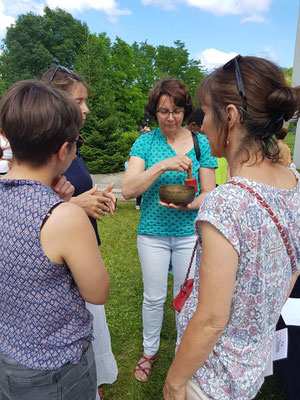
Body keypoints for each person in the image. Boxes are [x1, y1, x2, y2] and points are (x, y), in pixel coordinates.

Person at [163, 55, 300, 400]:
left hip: (211, 379)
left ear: (232, 117)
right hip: (249, 371)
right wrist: (260, 322)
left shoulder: (227, 203)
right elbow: (293, 269)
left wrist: (175, 382)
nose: (202, 124)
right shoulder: (293, 181)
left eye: (207, 112)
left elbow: (211, 318)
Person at [0, 80, 110, 399]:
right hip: (56, 366)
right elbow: (98, 291)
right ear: (64, 151)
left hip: (8, 355)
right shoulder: (62, 216)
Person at [122, 77, 217, 382]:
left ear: (185, 111)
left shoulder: (200, 143)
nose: (170, 118)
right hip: (152, 233)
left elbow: (209, 193)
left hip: (189, 232)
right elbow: (128, 190)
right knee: (153, 297)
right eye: (163, 111)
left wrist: (189, 206)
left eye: (176, 111)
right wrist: (162, 166)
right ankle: (149, 351)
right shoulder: (145, 143)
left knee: (185, 296)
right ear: (155, 112)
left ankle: (182, 351)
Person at [41, 66, 118, 398]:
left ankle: (93, 383)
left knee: (92, 323)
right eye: (79, 101)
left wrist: (93, 198)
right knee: (79, 321)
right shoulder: (40, 152)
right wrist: (76, 207)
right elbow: (34, 210)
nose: (86, 109)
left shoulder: (71, 145)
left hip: (82, 248)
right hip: (59, 261)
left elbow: (72, 193)